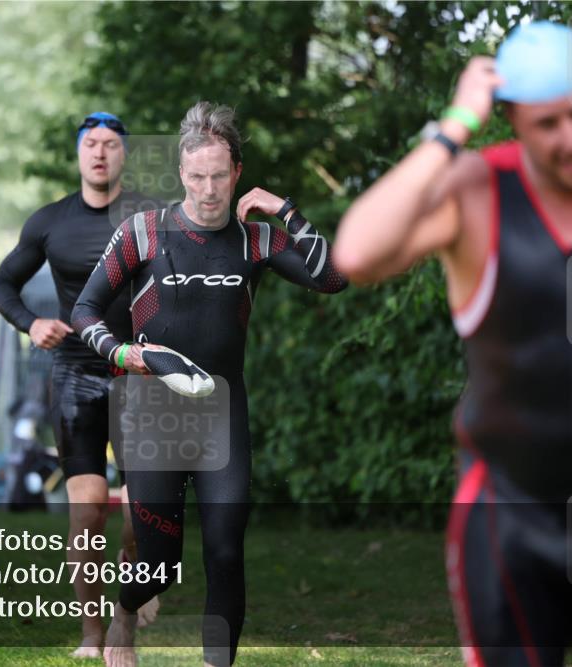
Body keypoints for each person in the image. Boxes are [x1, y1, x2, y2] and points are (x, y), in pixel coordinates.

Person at [332, 22, 572, 666]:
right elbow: (357, 253)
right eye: (547, 123)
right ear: (511, 119)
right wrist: (454, 128)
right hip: (511, 511)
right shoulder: (478, 188)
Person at [71, 102, 347, 667]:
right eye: (196, 177)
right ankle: (125, 611)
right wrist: (123, 352)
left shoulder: (255, 239)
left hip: (223, 414)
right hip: (153, 415)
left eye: (220, 176)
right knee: (158, 565)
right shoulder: (144, 232)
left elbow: (335, 277)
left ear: (238, 172)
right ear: (181, 173)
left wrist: (285, 210)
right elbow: (84, 310)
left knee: (224, 552)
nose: (208, 190)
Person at [0, 111, 161, 657]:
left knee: (138, 517)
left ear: (124, 154)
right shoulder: (50, 221)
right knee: (86, 513)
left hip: (138, 374)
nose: (100, 153)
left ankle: (126, 608)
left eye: (111, 144)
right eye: (91, 144)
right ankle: (91, 634)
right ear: (79, 153)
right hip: (74, 374)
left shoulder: (149, 217)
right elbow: (1, 285)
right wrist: (31, 323)